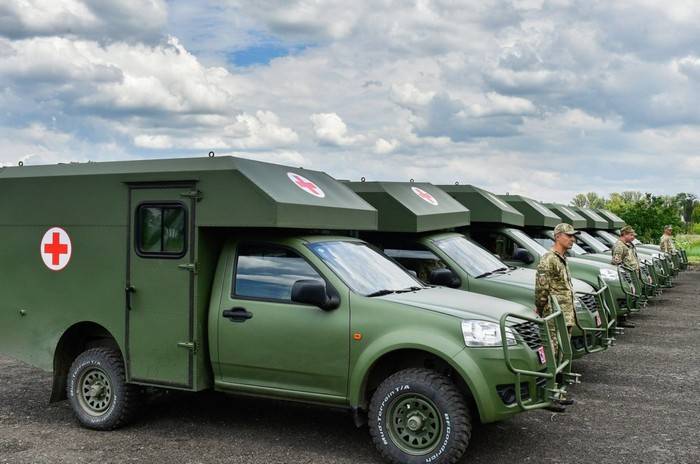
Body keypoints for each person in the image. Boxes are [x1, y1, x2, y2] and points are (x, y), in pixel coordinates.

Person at [535, 223, 578, 411]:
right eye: (569, 236)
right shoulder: (548, 259)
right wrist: (541, 307)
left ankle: (556, 392)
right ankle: (547, 395)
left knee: (562, 354)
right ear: (558, 236)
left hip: (565, 315)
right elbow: (541, 289)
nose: (572, 239)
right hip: (554, 315)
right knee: (552, 354)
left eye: (573, 236)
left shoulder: (561, 258)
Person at [611, 225, 640, 328]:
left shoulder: (627, 245)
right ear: (624, 234)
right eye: (631, 235)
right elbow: (616, 261)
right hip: (626, 275)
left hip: (630, 275)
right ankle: (621, 319)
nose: (633, 237)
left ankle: (625, 317)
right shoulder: (619, 246)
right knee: (626, 295)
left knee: (630, 296)